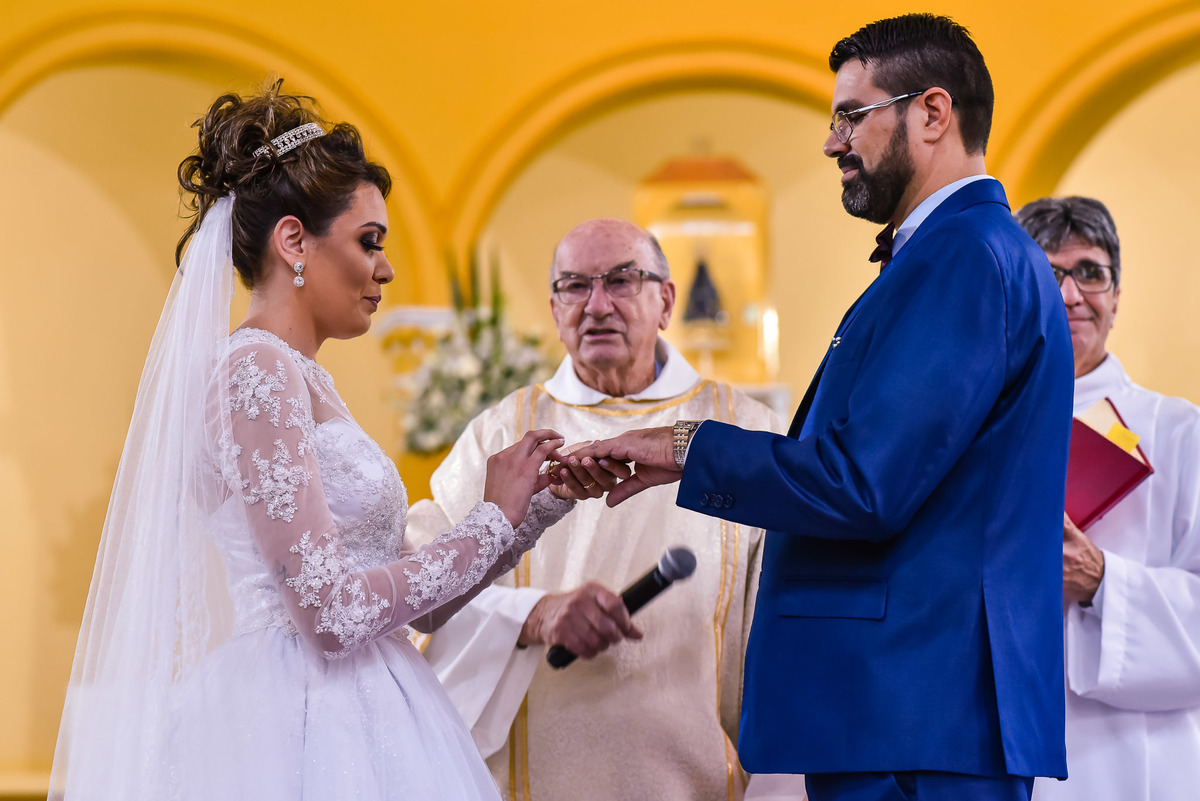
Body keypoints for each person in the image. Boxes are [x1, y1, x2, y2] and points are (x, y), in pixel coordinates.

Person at [48, 83, 614, 801]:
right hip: (300, 724)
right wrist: (491, 517)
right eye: (369, 241)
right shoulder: (254, 370)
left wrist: (537, 506)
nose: (386, 268)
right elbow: (330, 612)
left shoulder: (306, 381)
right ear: (294, 241)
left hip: (370, 699)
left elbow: (419, 601)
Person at [569, 14, 1075, 801]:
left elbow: (864, 481)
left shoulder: (963, 259)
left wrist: (687, 443)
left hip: (915, 709)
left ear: (932, 113)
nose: (833, 142)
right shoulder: (953, 256)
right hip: (911, 709)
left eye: (852, 114)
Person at [405, 217, 805, 800]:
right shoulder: (502, 434)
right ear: (552, 308)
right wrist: (533, 615)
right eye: (574, 285)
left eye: (621, 281)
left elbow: (790, 633)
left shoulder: (743, 433)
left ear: (666, 300)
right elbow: (422, 587)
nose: (596, 305)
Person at [1013, 196, 1200, 801]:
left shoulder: (1179, 432)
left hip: (1135, 760)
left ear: (1116, 295)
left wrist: (1101, 582)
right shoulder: (970, 433)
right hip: (995, 750)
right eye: (1048, 274)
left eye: (1090, 273)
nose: (1070, 295)